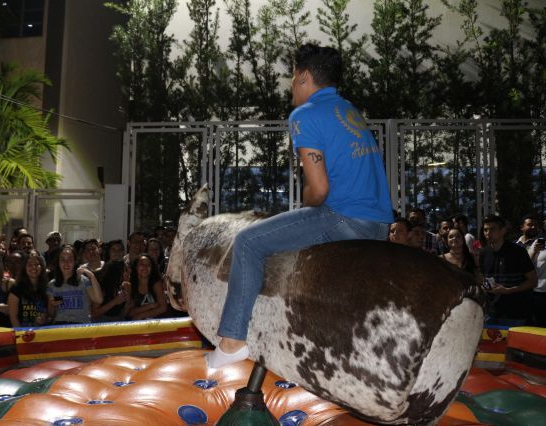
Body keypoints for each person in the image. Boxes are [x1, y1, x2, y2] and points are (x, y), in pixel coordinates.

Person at [205, 44, 393, 369]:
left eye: (292, 77)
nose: (291, 85)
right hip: (379, 224)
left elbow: (318, 190)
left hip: (346, 219)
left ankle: (232, 341)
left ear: (304, 77)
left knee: (248, 241)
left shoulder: (305, 115)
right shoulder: (347, 110)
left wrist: (305, 205)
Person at [479, 215, 536, 325]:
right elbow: (483, 278)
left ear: (503, 231)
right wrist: (484, 286)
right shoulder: (483, 253)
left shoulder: (518, 252)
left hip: (515, 314)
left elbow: (533, 281)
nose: (488, 233)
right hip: (491, 314)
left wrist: (508, 290)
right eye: (485, 230)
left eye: (492, 229)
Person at [47, 245, 103, 324]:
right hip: (60, 325)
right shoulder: (52, 284)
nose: (66, 263)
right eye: (62, 259)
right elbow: (50, 314)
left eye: (70, 259)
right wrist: (52, 305)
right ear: (58, 262)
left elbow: (99, 300)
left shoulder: (83, 280)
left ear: (75, 261)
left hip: (81, 326)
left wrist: (91, 276)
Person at [8, 250, 54, 327]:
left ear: (42, 267)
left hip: (43, 332)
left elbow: (51, 316)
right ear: (24, 268)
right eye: (29, 265)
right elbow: (13, 317)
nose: (33, 267)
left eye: (37, 264)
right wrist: (20, 333)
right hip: (23, 332)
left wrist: (45, 319)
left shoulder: (48, 288)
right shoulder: (16, 288)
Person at [126, 254, 168, 321]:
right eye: (142, 264)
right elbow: (130, 313)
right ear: (136, 267)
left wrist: (141, 315)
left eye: (148, 265)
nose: (145, 267)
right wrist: (150, 306)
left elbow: (163, 308)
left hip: (158, 322)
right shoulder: (131, 285)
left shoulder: (156, 284)